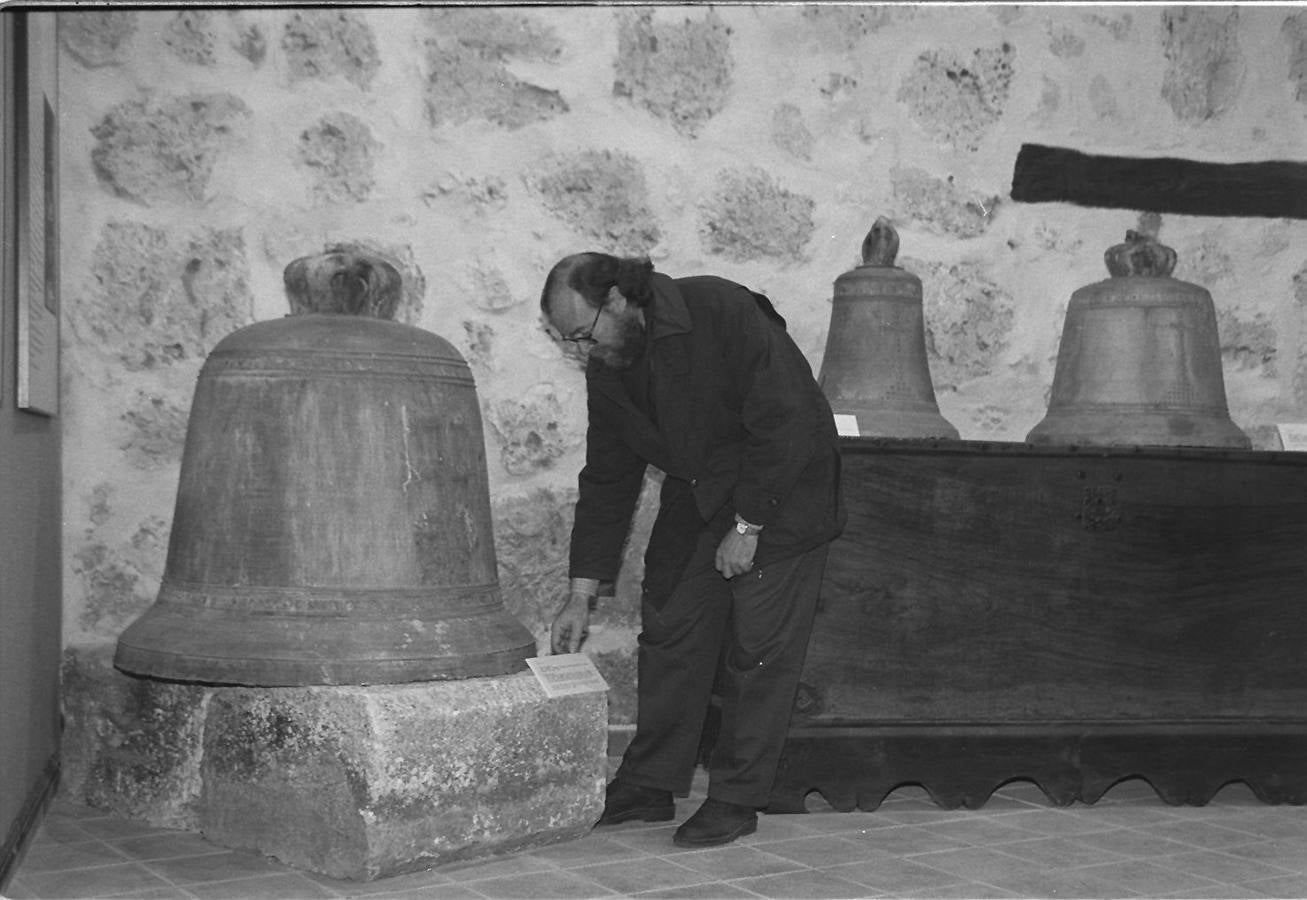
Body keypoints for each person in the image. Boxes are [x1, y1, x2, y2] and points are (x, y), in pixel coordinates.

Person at [539, 252, 845, 848]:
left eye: (581, 334)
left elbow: (788, 418)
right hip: (703, 491)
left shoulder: (720, 309)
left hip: (784, 486)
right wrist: (581, 592)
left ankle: (736, 796)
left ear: (621, 300)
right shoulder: (611, 365)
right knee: (670, 623)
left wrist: (749, 525)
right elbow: (607, 477)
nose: (579, 351)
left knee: (758, 645)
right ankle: (650, 783)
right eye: (567, 342)